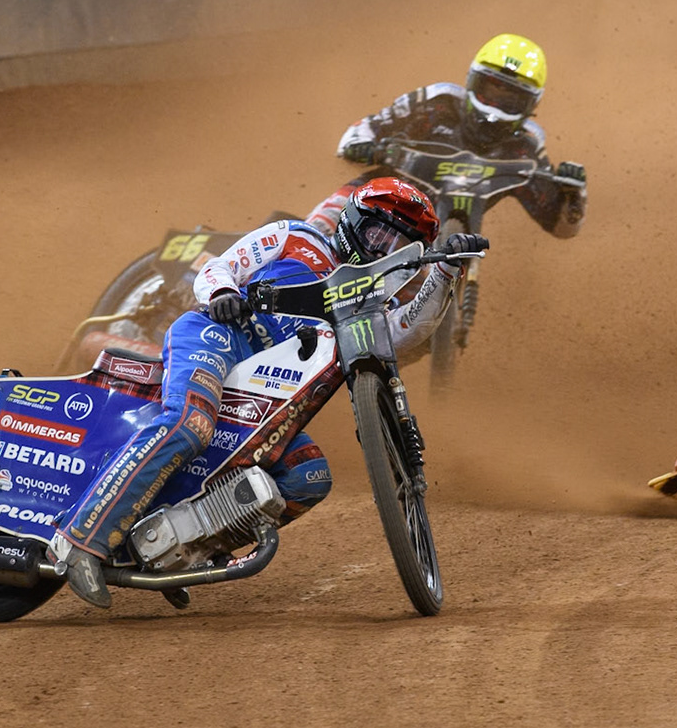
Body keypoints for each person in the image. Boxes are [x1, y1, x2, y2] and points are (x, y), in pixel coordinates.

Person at [49, 179, 486, 607]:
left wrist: (447, 270)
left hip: (267, 393)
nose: (381, 250)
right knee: (189, 424)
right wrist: (222, 293)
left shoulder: (372, 300)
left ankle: (177, 551)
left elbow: (406, 335)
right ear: (354, 220)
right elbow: (218, 267)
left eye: (396, 246)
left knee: (307, 476)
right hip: (218, 336)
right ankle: (80, 541)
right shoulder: (295, 236)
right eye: (378, 233)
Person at [309, 34, 587, 242]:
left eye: (510, 100)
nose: (493, 108)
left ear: (530, 106)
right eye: (489, 91)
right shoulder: (438, 102)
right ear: (471, 81)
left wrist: (575, 197)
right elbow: (362, 131)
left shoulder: (525, 148)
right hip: (374, 198)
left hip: (435, 234)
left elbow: (560, 226)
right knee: (316, 234)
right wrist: (366, 148)